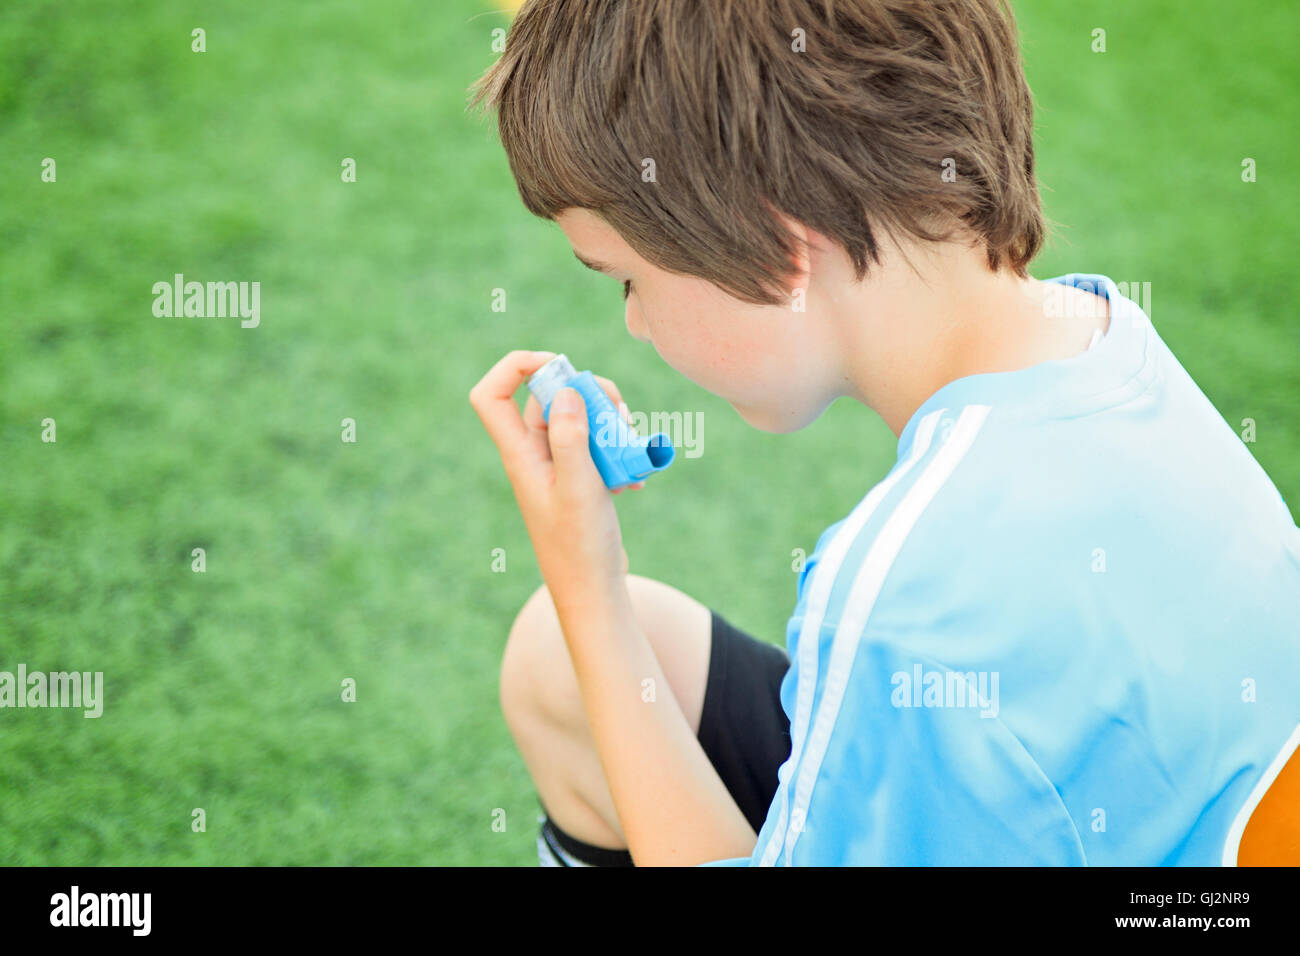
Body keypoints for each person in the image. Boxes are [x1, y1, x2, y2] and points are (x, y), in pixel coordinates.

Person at [467, 0, 1300, 866]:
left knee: (582, 646)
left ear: (774, 252)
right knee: (553, 669)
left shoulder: (908, 604)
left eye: (626, 282)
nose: (634, 326)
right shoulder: (1116, 342)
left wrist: (586, 590)